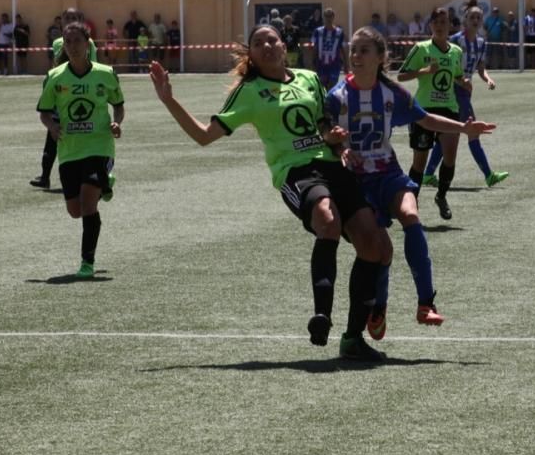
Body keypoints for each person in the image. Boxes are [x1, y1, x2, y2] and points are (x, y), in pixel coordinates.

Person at [149, 25, 389, 361]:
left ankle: (353, 339)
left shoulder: (308, 78)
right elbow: (204, 135)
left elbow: (323, 123)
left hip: (335, 167)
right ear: (251, 54)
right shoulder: (249, 91)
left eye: (271, 39)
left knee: (373, 245)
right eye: (258, 42)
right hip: (296, 172)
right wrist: (168, 99)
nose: (266, 45)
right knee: (326, 218)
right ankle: (322, 315)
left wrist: (335, 137)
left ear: (283, 45)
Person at [325, 26, 495, 339]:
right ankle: (380, 306)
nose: (356, 56)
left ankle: (426, 303)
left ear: (380, 58)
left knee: (412, 215)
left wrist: (463, 128)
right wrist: (340, 148)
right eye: (353, 50)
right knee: (382, 250)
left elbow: (426, 118)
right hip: (356, 182)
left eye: (364, 50)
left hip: (388, 173)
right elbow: (323, 133)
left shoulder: (393, 94)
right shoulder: (336, 97)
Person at [37, 22, 123, 278]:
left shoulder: (105, 73)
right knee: (75, 211)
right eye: (68, 41)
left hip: (99, 145)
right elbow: (44, 113)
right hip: (69, 150)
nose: (73, 46)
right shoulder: (55, 77)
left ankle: (87, 262)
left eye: (77, 41)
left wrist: (117, 121)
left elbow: (118, 104)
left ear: (88, 44)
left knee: (87, 205)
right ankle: (104, 184)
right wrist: (52, 127)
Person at [422, 5, 509, 188]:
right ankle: (489, 175)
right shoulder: (454, 40)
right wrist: (459, 81)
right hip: (453, 91)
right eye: (472, 17)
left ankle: (428, 174)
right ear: (465, 20)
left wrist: (488, 79)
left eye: (478, 17)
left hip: (465, 92)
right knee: (472, 131)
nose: (475, 21)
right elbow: (444, 64)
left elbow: (480, 68)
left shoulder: (481, 42)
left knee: (448, 133)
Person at [397, 8, 465, 221]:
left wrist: (466, 82)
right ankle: (411, 206)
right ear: (430, 25)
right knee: (420, 162)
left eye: (444, 22)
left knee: (450, 157)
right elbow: (401, 76)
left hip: (449, 110)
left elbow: (458, 77)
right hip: (424, 110)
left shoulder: (456, 51)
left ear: (450, 25)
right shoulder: (420, 49)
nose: (440, 25)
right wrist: (423, 72)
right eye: (436, 21)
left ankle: (441, 196)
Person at [31, 11, 99, 189]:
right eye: (66, 19)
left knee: (83, 133)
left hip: (79, 92)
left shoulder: (88, 43)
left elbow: (91, 66)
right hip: (62, 91)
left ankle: (91, 175)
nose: (69, 22)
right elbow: (57, 64)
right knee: (53, 134)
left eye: (72, 19)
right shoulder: (56, 43)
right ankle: (45, 176)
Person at [311, 7, 347, 89]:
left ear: (333, 17)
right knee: (321, 86)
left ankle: (331, 101)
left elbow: (342, 49)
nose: (328, 18)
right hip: (321, 64)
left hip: (334, 64)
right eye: (326, 16)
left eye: (330, 16)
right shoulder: (318, 31)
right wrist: (313, 61)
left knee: (332, 86)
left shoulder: (339, 32)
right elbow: (315, 47)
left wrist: (346, 64)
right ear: (324, 17)